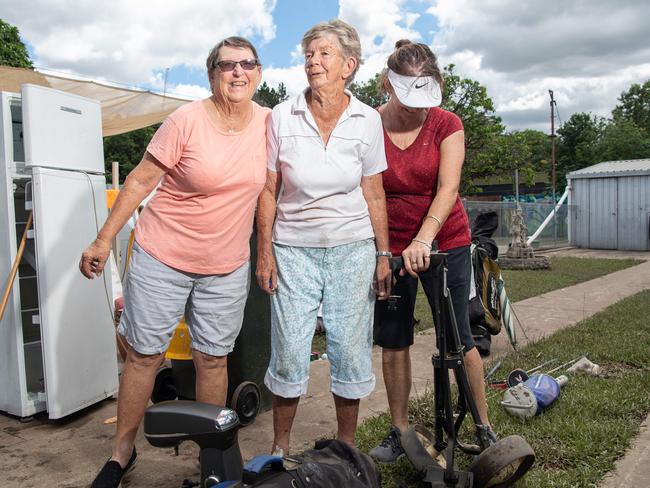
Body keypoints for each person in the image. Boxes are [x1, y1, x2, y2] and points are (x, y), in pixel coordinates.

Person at [79, 36, 269, 488]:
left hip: (225, 264)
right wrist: (103, 240)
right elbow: (142, 178)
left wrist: (266, 251)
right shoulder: (186, 119)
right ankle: (121, 453)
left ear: (259, 73)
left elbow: (268, 190)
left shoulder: (269, 124)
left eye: (248, 64)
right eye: (228, 66)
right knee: (145, 356)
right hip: (163, 255)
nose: (238, 72)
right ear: (212, 75)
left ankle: (211, 455)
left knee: (213, 359)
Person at [255, 19, 391, 456]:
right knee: (290, 348)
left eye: (324, 53)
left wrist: (383, 254)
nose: (313, 61)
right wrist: (264, 252)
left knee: (349, 348)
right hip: (293, 249)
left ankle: (347, 448)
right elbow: (268, 189)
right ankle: (279, 448)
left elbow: (374, 191)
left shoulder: (367, 120)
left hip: (353, 248)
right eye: (309, 54)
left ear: (348, 64)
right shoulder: (282, 114)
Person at [369, 40, 496, 463]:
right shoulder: (368, 124)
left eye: (426, 98)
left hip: (446, 241)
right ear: (387, 84)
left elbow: (448, 188)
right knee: (393, 337)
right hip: (391, 246)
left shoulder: (446, 123)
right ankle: (399, 430)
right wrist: (384, 253)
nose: (418, 110)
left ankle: (483, 426)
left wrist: (424, 239)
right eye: (408, 99)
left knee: (460, 334)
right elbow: (367, 192)